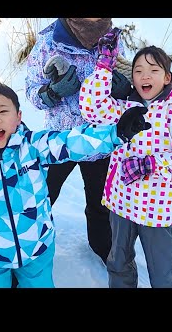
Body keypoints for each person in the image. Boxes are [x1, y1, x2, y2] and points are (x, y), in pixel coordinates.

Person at [0, 79, 150, 288]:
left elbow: (71, 141)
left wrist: (115, 133)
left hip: (37, 248)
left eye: (3, 111)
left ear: (18, 117)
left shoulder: (33, 146)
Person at [79, 28, 172, 288]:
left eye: (153, 70)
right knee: (118, 262)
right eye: (138, 70)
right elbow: (92, 108)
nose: (145, 76)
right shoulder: (126, 108)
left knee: (163, 270)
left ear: (167, 77)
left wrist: (151, 164)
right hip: (121, 202)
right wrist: (104, 66)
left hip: (157, 208)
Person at [25, 18, 132, 266]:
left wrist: (123, 89)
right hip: (60, 141)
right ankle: (26, 243)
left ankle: (103, 247)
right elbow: (31, 89)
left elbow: (131, 77)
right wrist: (51, 92)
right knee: (41, 196)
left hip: (100, 140)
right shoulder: (49, 41)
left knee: (100, 204)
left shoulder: (112, 41)